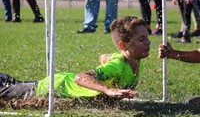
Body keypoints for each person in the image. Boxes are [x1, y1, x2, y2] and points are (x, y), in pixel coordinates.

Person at [0, 16, 151, 99]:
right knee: (8, 92)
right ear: (123, 46)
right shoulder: (117, 66)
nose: (148, 42)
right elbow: (79, 77)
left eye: (147, 37)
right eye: (141, 39)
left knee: (14, 84)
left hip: (59, 81)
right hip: (54, 88)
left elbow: (103, 57)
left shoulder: (133, 59)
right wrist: (108, 90)